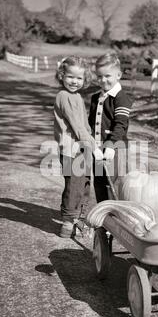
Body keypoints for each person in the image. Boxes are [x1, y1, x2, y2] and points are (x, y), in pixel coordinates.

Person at [54, 56, 103, 238]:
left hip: (82, 148)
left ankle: (79, 218)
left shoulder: (77, 96)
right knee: (74, 185)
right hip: (71, 150)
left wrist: (92, 143)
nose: (74, 81)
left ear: (85, 79)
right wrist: (92, 145)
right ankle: (68, 221)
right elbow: (76, 125)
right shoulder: (64, 96)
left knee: (84, 183)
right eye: (70, 77)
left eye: (79, 78)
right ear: (62, 75)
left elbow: (85, 125)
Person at [89, 53, 132, 202]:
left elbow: (121, 124)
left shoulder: (121, 98)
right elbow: (91, 123)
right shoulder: (95, 98)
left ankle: (114, 216)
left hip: (114, 148)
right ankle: (103, 216)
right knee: (100, 182)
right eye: (99, 76)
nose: (103, 80)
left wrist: (111, 146)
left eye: (108, 76)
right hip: (98, 149)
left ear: (118, 75)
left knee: (112, 184)